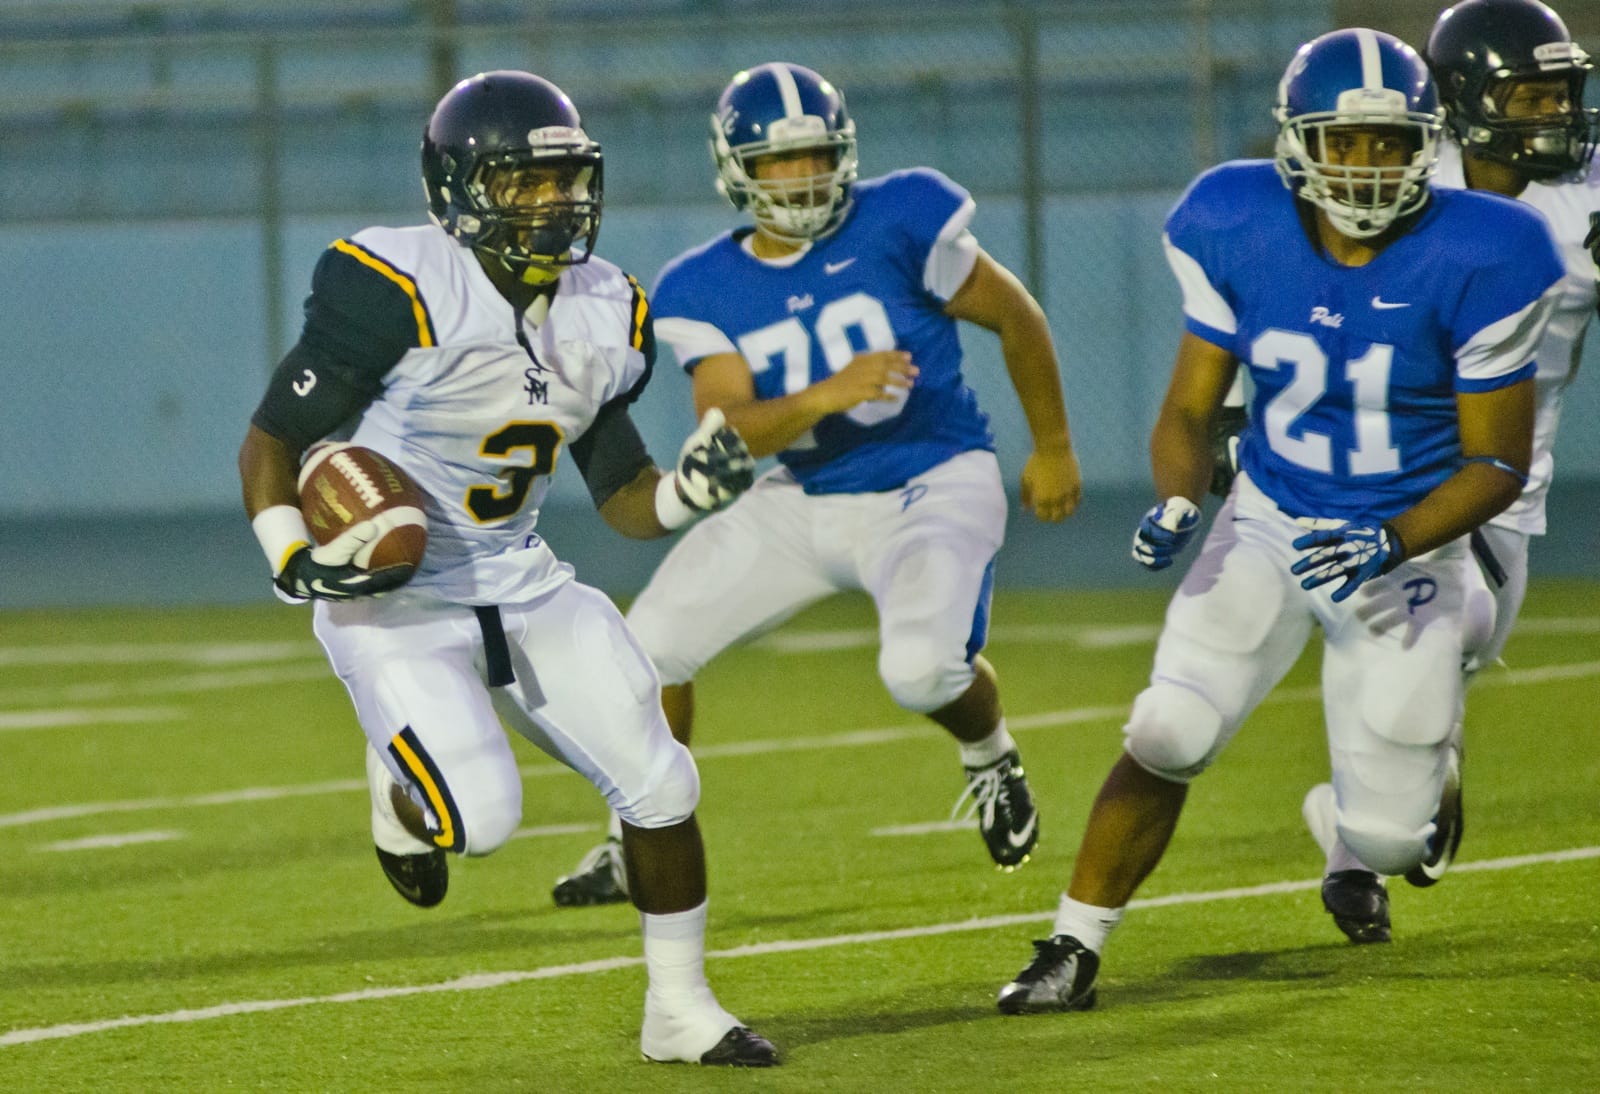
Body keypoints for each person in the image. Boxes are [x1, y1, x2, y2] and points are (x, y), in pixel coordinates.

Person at [995, 28, 1562, 1012]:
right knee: (1168, 725)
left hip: (1403, 543)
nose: (1367, 164)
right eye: (1345, 141)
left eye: (1390, 144)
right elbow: (1186, 410)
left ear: (1424, 144)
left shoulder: (1487, 249)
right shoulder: (1233, 218)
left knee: (1388, 843)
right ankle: (1070, 946)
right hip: (1269, 514)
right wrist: (1178, 493)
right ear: (1299, 143)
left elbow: (1498, 463)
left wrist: (1392, 537)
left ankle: (1364, 810)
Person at [236, 70, 777, 1067]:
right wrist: (294, 558)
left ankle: (681, 1009)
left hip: (521, 579)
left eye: (566, 180)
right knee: (480, 821)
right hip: (394, 593)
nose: (554, 204)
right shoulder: (395, 285)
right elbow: (272, 437)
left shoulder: (608, 309)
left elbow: (624, 497)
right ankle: (401, 791)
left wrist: (689, 493)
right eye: (523, 184)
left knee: (662, 781)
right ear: (457, 190)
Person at [550, 61, 1082, 907]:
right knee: (644, 655)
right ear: (739, 170)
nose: (800, 178)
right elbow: (728, 430)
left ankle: (988, 752)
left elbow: (1015, 316)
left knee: (921, 672)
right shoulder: (702, 284)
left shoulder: (903, 217)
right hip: (799, 497)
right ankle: (632, 837)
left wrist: (1052, 445)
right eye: (778, 161)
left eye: (814, 156)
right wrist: (827, 394)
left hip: (932, 476)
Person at [1297, 0, 1600, 937]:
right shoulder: (1401, 181)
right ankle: (1378, 830)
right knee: (1437, 628)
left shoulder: (1586, 192)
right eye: (1532, 94)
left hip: (1509, 474)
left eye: (1563, 92)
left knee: (1452, 669)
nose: (1555, 113)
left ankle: (1362, 844)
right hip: (1398, 464)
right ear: (1467, 103)